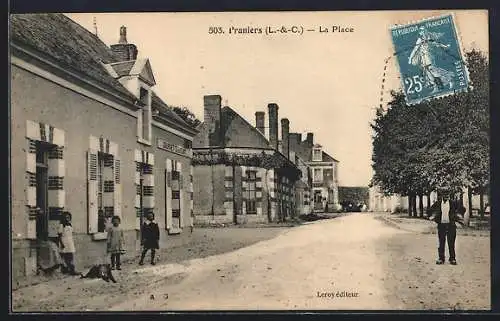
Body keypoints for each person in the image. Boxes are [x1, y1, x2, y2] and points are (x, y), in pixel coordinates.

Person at [408, 26, 455, 93]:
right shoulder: (419, 39)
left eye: (423, 31)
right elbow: (415, 49)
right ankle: (436, 87)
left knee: (432, 70)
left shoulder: (428, 38)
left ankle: (449, 79)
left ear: (425, 31)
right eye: (421, 31)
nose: (422, 32)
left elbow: (436, 43)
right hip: (423, 58)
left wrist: (445, 46)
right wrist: (410, 58)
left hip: (428, 57)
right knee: (427, 73)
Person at [428, 193, 465, 265]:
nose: (446, 196)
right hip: (441, 226)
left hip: (451, 225)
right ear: (441, 196)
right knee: (441, 243)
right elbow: (429, 211)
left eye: (447, 195)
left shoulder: (453, 203)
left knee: (451, 243)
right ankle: (441, 259)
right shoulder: (438, 203)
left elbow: (463, 209)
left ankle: (452, 259)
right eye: (444, 195)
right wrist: (434, 218)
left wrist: (457, 217)